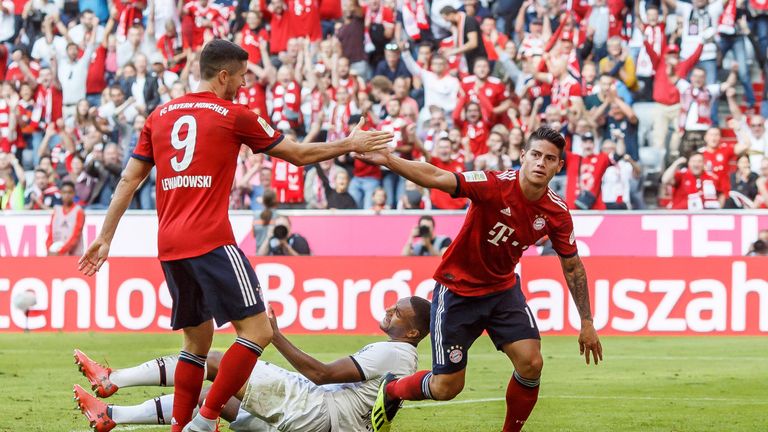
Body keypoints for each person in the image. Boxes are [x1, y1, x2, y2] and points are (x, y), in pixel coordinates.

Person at [77, 39, 392, 432]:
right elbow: (295, 154)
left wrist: (106, 236)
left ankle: (181, 427)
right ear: (223, 75)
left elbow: (129, 178)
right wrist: (350, 143)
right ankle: (206, 420)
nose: (244, 84)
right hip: (211, 240)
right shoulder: (233, 115)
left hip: (170, 245)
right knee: (258, 331)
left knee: (196, 344)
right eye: (242, 77)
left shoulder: (159, 115)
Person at [358, 127, 602, 432]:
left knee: (531, 363)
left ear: (558, 167)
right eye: (536, 155)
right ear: (523, 156)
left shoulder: (556, 212)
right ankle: (392, 388)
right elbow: (437, 177)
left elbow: (573, 267)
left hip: (502, 290)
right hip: (457, 290)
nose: (541, 163)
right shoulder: (492, 184)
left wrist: (587, 322)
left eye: (550, 158)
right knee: (447, 387)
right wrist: (389, 160)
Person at [73, 297, 432, 432]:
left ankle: (112, 378)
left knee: (217, 362)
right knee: (214, 399)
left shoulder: (394, 353)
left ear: (413, 330)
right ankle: (112, 416)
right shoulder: (401, 356)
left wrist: (272, 334)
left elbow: (320, 375)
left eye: (398, 312)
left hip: (316, 411)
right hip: (323, 425)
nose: (389, 311)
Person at [45, 181, 85, 256]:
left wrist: (60, 252)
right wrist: (49, 249)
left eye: (70, 192)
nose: (67, 195)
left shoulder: (79, 211)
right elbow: (50, 233)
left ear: (74, 194)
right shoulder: (56, 210)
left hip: (73, 255)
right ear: (61, 193)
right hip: (56, 254)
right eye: (64, 192)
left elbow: (76, 236)